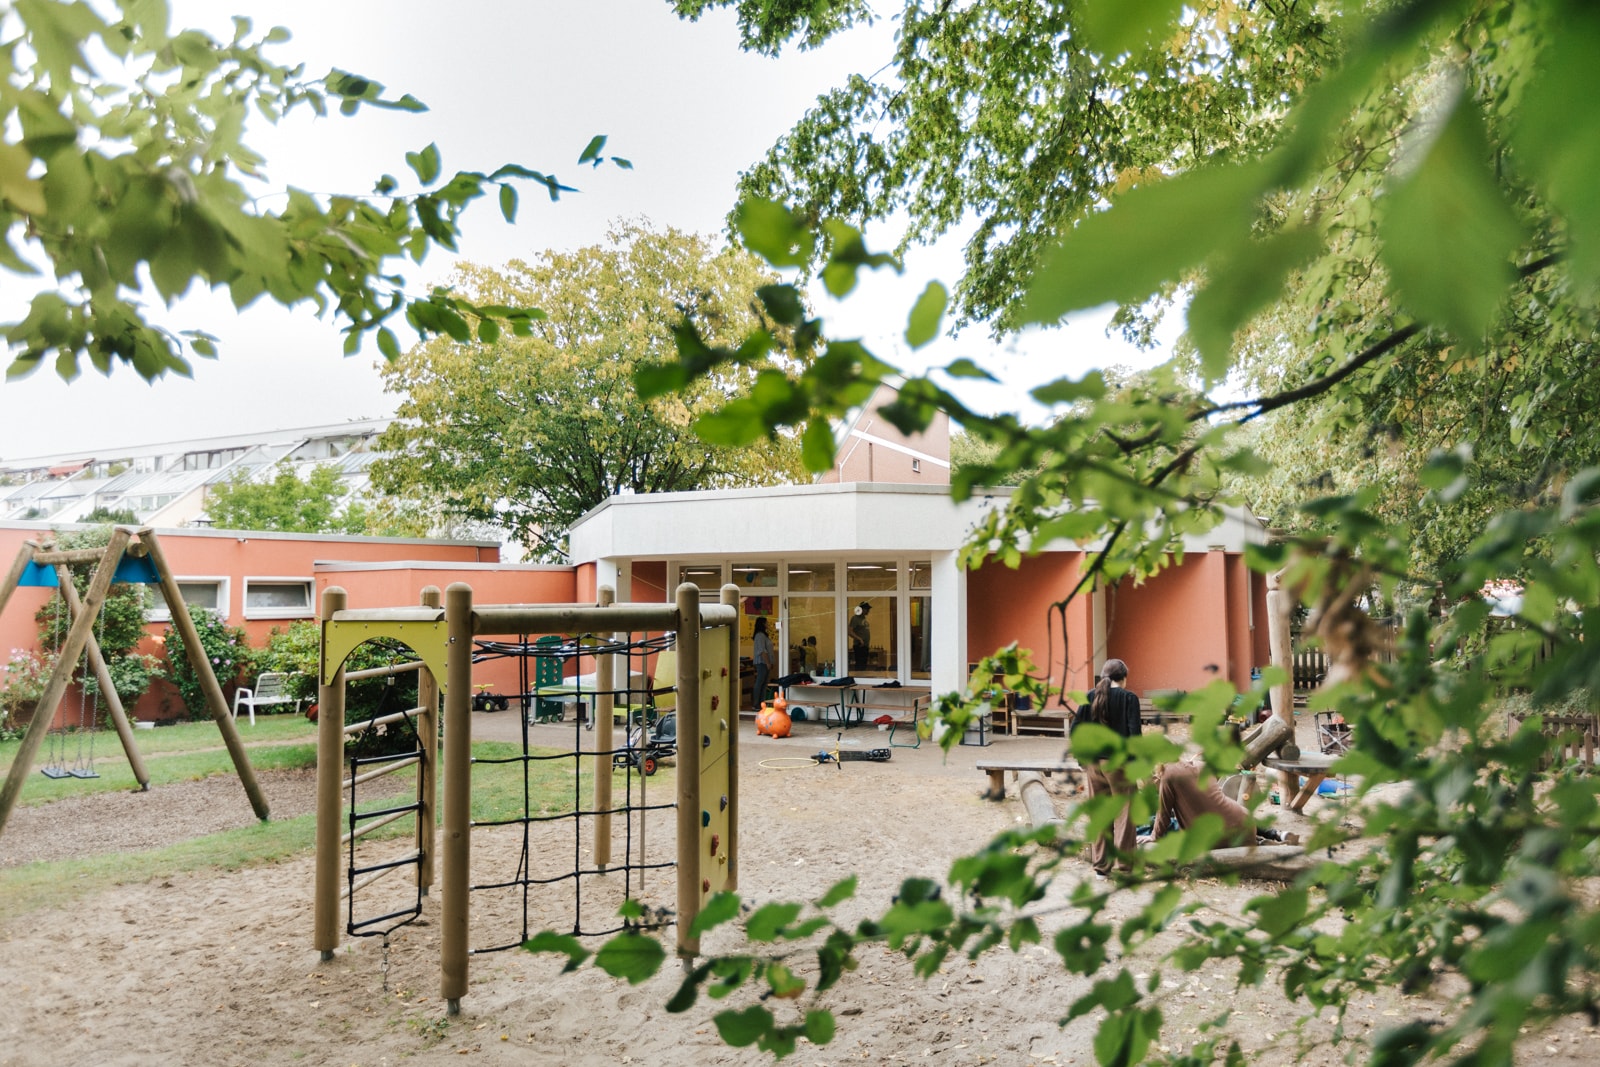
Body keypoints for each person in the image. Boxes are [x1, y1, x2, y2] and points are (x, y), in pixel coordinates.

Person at [1076, 658, 1142, 876]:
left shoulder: (1089, 697)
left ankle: (1101, 867)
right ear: (1123, 678)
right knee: (1125, 815)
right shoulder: (1129, 698)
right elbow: (1135, 736)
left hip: (1093, 765)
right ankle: (1124, 867)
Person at [1151, 759, 1294, 847]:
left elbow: (1163, 815)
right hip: (1243, 819)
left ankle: (1261, 842)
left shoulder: (1168, 776)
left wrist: (1154, 838)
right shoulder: (1201, 765)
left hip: (1216, 835)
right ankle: (1273, 836)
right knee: (1228, 813)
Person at [751, 617, 775, 709]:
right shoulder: (760, 635)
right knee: (760, 682)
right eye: (766, 623)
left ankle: (762, 703)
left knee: (764, 683)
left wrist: (770, 662)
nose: (767, 624)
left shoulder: (764, 635)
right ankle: (756, 704)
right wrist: (768, 662)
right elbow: (762, 651)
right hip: (762, 662)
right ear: (762, 624)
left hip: (765, 662)